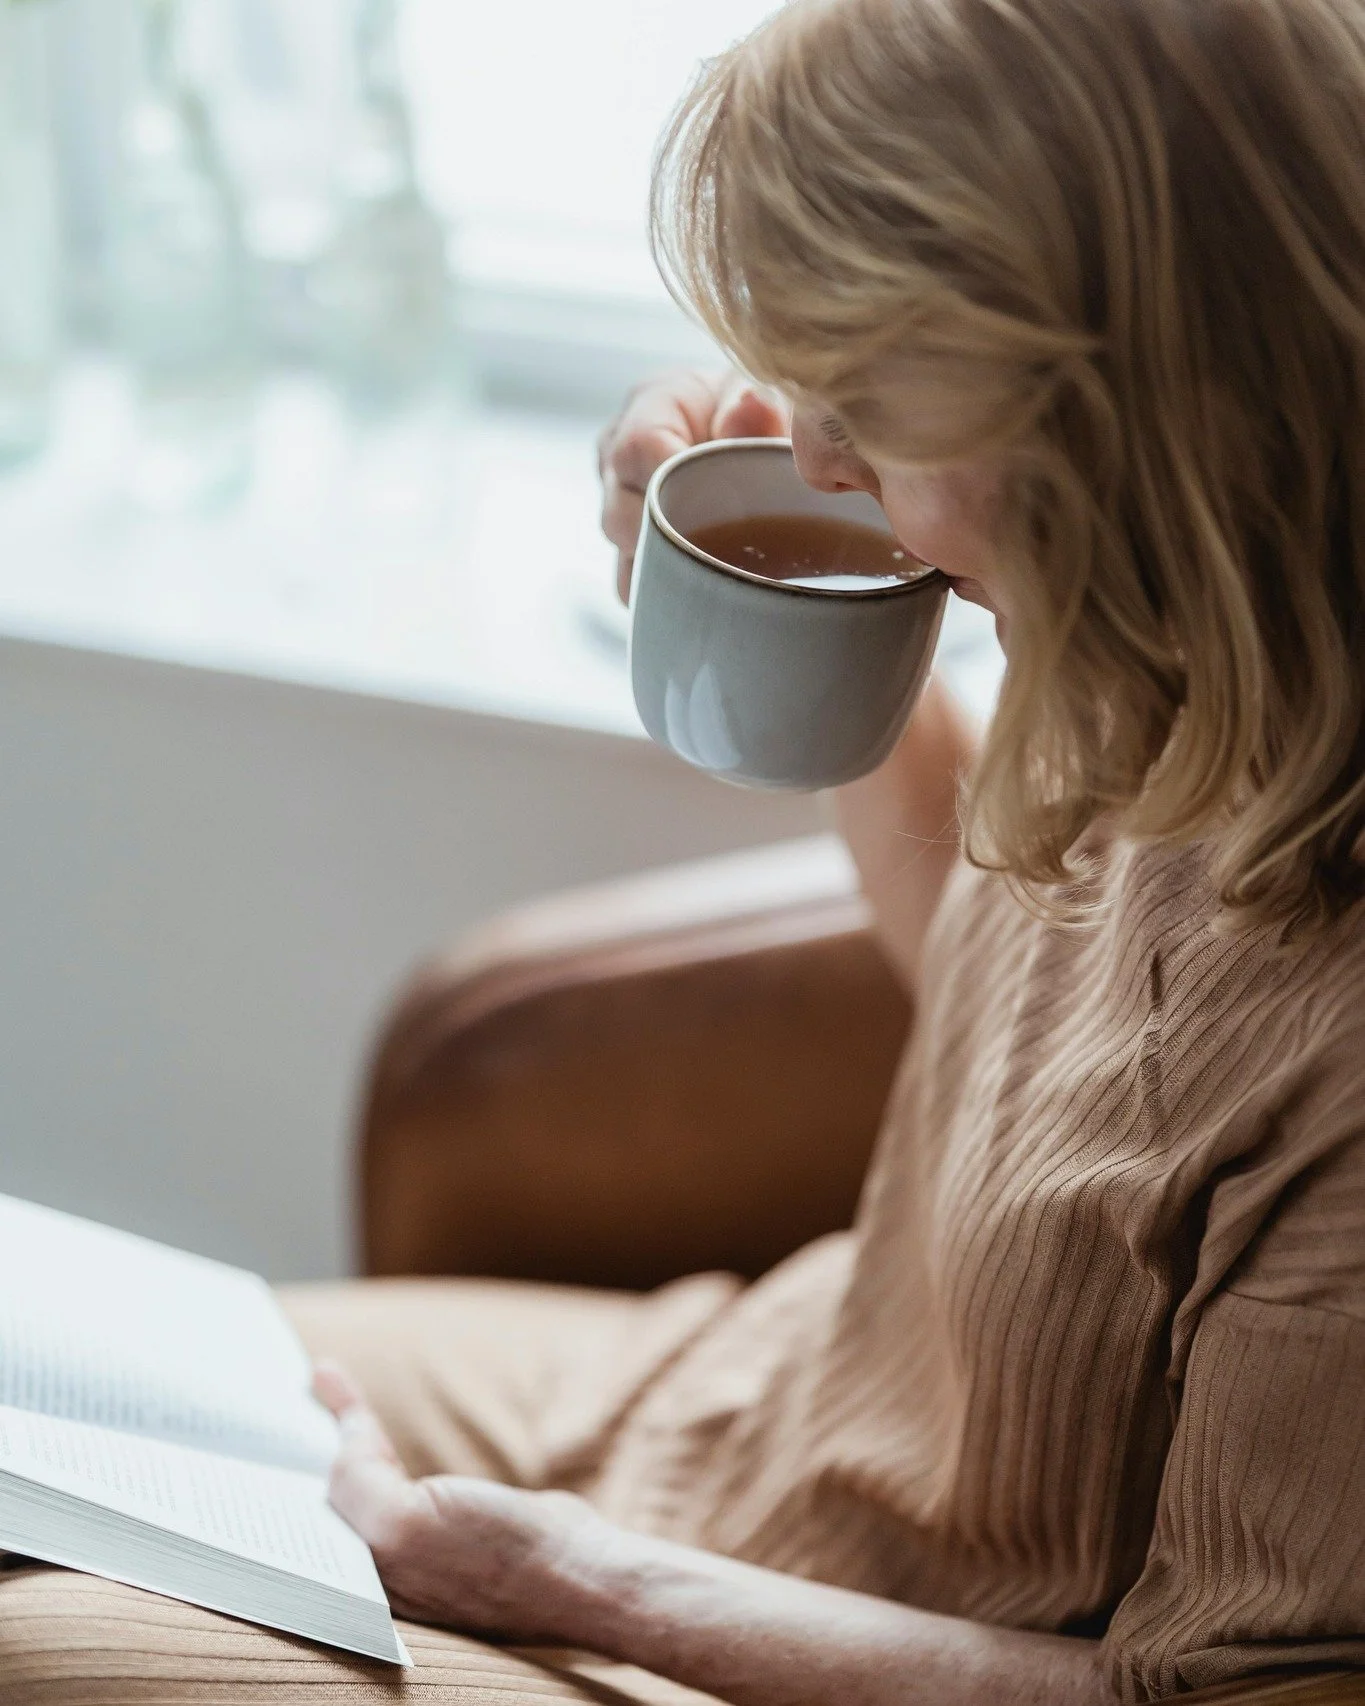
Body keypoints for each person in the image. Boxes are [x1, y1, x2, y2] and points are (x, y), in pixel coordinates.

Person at [5, 0, 1365, 1701]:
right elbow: (1008, 989)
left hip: (794, 1634)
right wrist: (790, 614)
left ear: (1120, 394)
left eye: (868, 389)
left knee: (26, 1634)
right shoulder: (1161, 628)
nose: (818, 453)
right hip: (757, 1413)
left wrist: (574, 1581)